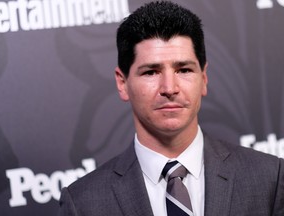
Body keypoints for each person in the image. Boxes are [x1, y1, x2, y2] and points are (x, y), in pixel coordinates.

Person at [58, 1, 284, 216]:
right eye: (151, 72)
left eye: (184, 70)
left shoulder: (269, 179)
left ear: (203, 78)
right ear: (122, 83)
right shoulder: (84, 203)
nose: (169, 88)